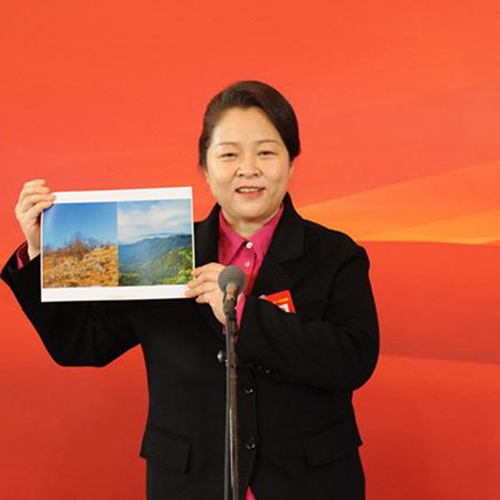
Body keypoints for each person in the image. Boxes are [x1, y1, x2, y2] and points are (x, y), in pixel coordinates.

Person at [1, 80, 379, 500]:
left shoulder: (334, 254)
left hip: (308, 483)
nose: (248, 168)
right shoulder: (166, 251)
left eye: (266, 152)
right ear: (204, 166)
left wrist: (244, 315)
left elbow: (353, 359)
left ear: (291, 163)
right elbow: (82, 344)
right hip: (191, 482)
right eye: (229, 154)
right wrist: (40, 253)